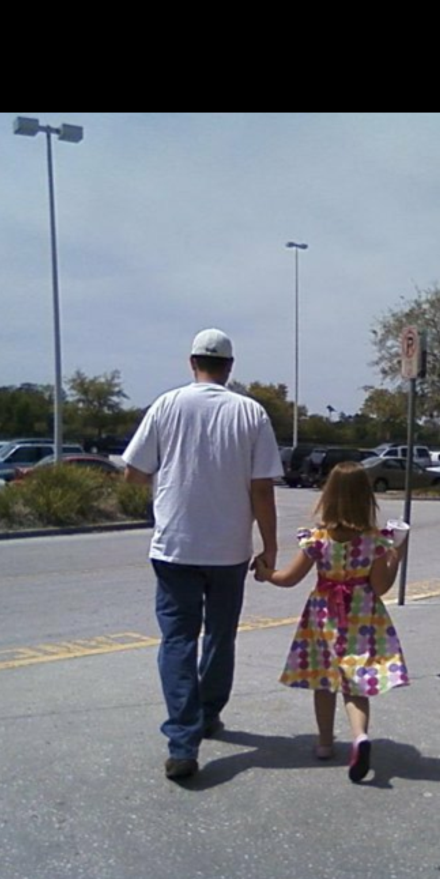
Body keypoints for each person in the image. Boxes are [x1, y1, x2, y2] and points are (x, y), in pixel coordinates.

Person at [124, 328, 282, 781]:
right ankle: (208, 714)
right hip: (229, 550)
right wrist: (270, 547)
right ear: (229, 367)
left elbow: (134, 472)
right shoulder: (251, 412)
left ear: (192, 362)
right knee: (219, 635)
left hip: (175, 546)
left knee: (177, 640)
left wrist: (166, 483)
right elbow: (262, 488)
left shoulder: (167, 405)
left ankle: (183, 742)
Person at [254, 461, 409, 783]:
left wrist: (266, 573)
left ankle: (325, 743)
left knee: (324, 681)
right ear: (366, 498)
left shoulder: (317, 539)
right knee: (355, 683)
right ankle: (360, 737)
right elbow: (381, 587)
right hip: (363, 616)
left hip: (323, 617)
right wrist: (396, 556)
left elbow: (288, 579)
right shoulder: (374, 542)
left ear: (328, 496)